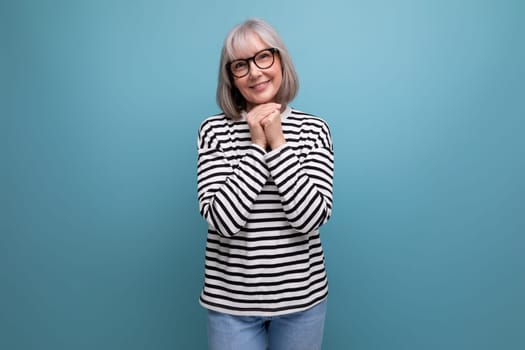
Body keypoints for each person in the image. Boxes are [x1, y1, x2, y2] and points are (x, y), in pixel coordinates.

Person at [196, 18, 334, 350]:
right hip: (231, 304)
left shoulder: (314, 130)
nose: (255, 72)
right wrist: (258, 147)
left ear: (281, 60)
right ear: (231, 77)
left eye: (264, 57)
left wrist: (279, 143)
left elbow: (310, 218)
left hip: (303, 300)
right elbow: (223, 222)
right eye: (240, 65)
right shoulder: (213, 132)